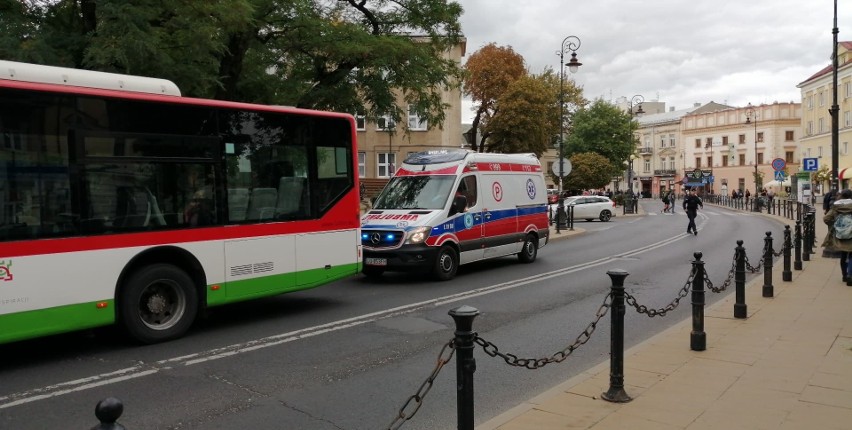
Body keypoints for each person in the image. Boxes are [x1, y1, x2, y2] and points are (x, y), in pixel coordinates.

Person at [823, 189, 852, 285]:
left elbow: (826, 218)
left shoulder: (836, 206)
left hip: (841, 234)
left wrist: (834, 226)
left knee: (843, 255)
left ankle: (844, 276)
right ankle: (850, 275)